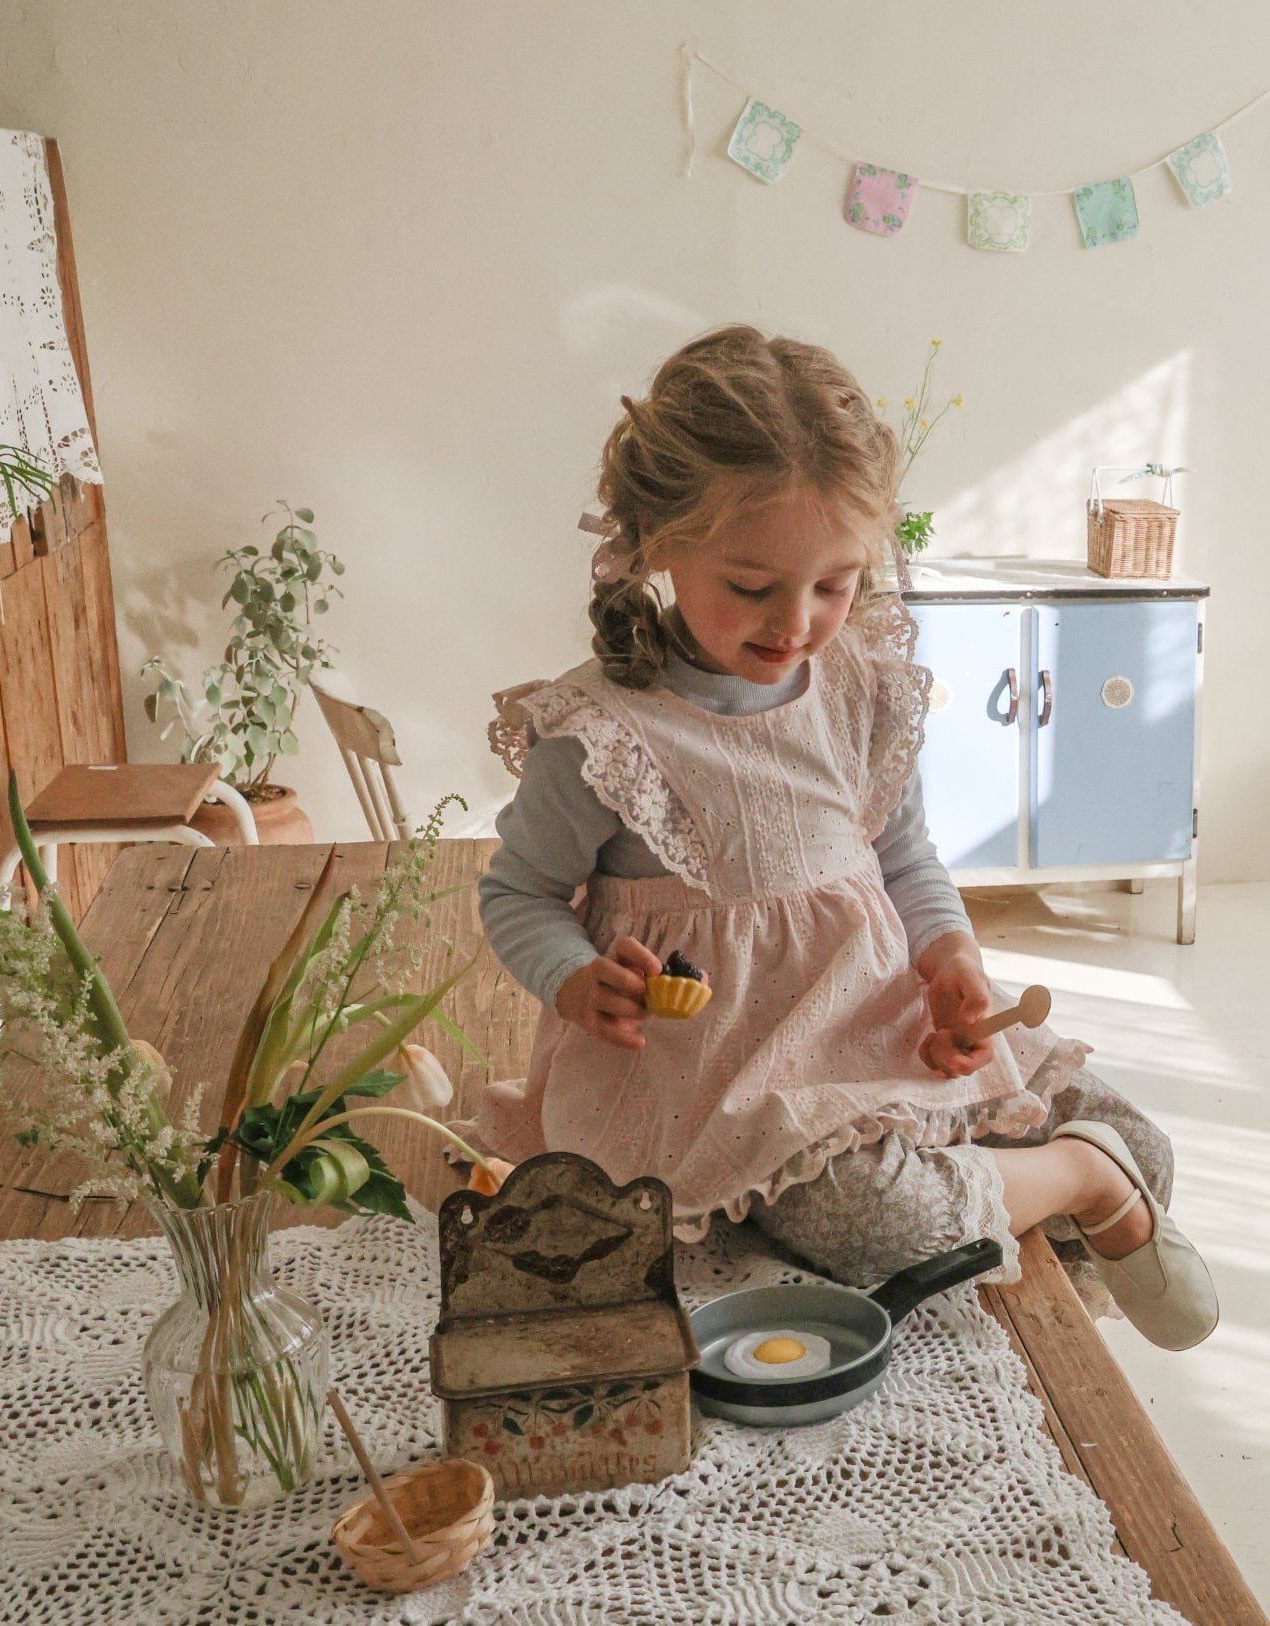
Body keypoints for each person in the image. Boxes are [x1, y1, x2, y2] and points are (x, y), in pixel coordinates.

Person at [455, 325, 1217, 1351]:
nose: (797, 622)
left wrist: (948, 954)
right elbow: (518, 894)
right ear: (661, 542)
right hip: (726, 1082)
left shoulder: (858, 686)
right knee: (874, 1222)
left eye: (835, 584)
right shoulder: (604, 733)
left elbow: (903, 857)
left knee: (1141, 1135)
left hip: (875, 1025)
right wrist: (571, 976)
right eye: (752, 586)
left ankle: (1087, 1167)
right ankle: (1079, 1179)